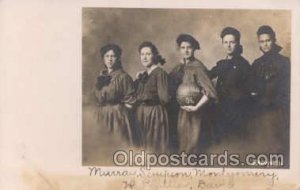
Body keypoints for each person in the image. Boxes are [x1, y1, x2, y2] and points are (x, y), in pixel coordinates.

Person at [169, 34, 217, 153]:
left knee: (193, 144)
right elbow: (168, 83)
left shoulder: (198, 67)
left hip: (196, 113)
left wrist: (196, 107)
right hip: (183, 111)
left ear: (194, 48)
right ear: (179, 49)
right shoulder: (179, 67)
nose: (186, 50)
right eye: (183, 47)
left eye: (189, 47)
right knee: (183, 144)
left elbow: (210, 92)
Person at [250, 25, 290, 155]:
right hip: (261, 110)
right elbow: (253, 87)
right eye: (262, 41)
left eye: (268, 40)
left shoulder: (284, 62)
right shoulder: (256, 64)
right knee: (262, 144)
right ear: (259, 43)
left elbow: (287, 88)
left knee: (279, 145)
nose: (265, 44)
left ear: (274, 40)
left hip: (279, 109)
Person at [209, 27, 252, 142]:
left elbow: (249, 91)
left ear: (237, 43)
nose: (228, 45)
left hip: (236, 112)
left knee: (234, 144)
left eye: (232, 42)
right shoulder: (221, 64)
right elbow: (208, 75)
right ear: (222, 44)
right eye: (225, 42)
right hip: (220, 110)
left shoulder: (244, 65)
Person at [94, 43, 138, 146]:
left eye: (113, 56)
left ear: (118, 58)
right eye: (107, 56)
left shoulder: (124, 77)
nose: (110, 59)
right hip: (101, 115)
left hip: (117, 117)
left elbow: (131, 101)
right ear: (103, 59)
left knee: (117, 144)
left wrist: (120, 112)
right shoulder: (100, 77)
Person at [134, 41, 170, 152]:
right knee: (142, 145)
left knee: (154, 145)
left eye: (148, 54)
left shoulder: (160, 73)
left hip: (154, 114)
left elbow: (164, 98)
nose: (144, 57)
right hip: (141, 113)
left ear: (154, 55)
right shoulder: (143, 74)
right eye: (142, 54)